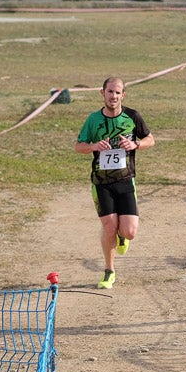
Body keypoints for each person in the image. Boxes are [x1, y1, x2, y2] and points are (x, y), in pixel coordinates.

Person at [75, 77, 155, 289]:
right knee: (109, 226)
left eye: (117, 92)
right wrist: (93, 146)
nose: (113, 96)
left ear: (123, 95)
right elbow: (78, 146)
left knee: (129, 231)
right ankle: (109, 271)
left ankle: (122, 236)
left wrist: (135, 144)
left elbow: (151, 140)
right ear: (102, 93)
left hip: (126, 179)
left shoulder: (132, 116)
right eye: (110, 92)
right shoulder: (93, 120)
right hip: (101, 182)